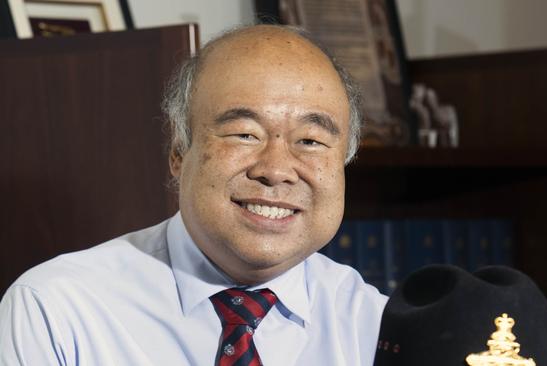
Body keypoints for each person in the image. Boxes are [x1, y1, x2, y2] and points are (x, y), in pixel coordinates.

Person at [0, 24, 387, 366]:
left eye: (311, 140)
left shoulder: (377, 328)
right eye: (244, 133)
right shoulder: (56, 310)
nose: (276, 170)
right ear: (179, 152)